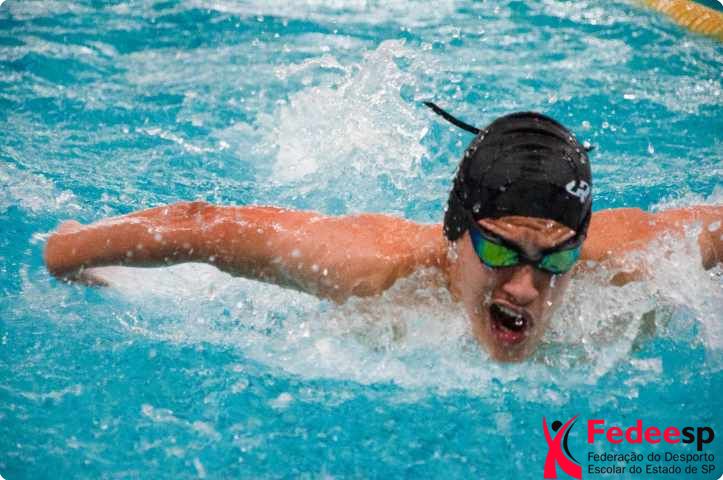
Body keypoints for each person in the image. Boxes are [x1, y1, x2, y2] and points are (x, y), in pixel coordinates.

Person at [44, 106, 722, 362]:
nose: (525, 286)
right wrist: (67, 251)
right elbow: (206, 227)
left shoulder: (626, 261)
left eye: (556, 259)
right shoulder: (368, 268)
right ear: (454, 235)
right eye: (497, 249)